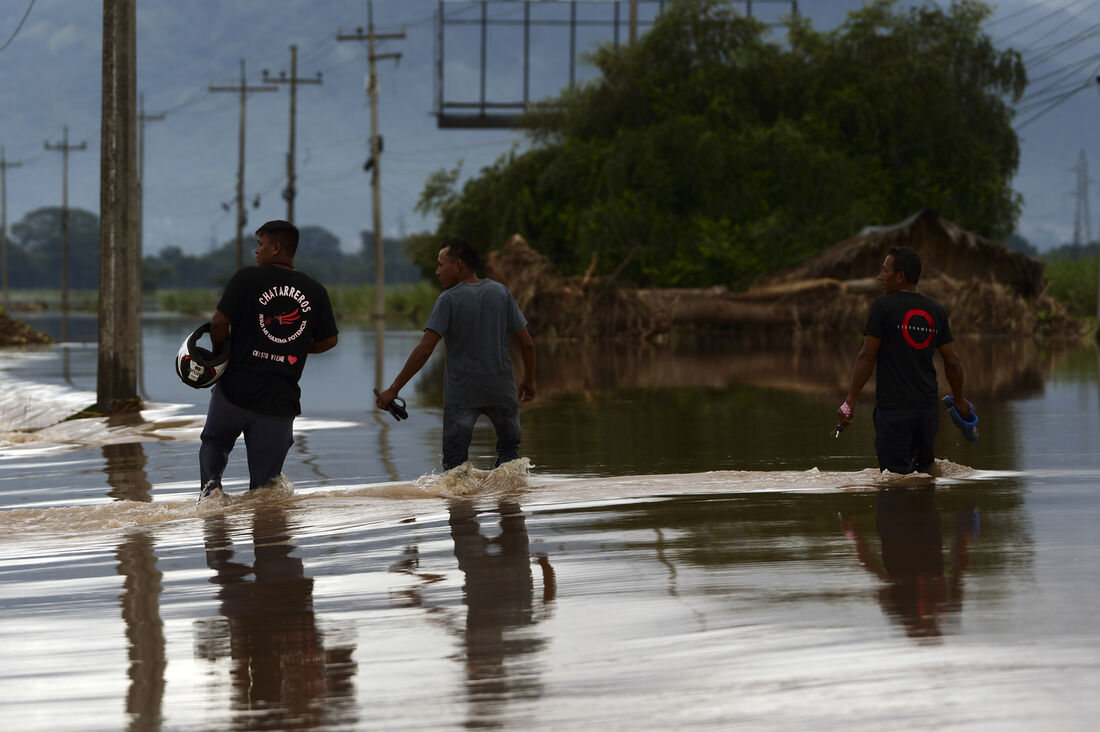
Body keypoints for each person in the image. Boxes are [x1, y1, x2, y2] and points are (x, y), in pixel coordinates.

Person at [199, 220, 339, 500]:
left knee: (214, 442)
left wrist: (221, 354)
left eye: (260, 244)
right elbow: (329, 340)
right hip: (279, 399)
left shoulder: (246, 278)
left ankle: (212, 493)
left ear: (276, 247)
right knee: (266, 491)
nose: (256, 251)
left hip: (235, 391)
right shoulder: (315, 291)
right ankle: (267, 534)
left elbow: (217, 324)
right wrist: (295, 347)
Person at [375, 237, 536, 470]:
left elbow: (424, 350)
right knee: (510, 460)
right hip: (502, 393)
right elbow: (528, 344)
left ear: (458, 265)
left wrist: (393, 390)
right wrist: (529, 381)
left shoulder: (448, 300)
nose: (437, 271)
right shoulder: (501, 293)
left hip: (462, 397)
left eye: (441, 264)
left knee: (455, 469)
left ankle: (462, 506)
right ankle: (508, 503)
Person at [836, 246, 972, 474]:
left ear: (900, 277)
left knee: (894, 482)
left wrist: (850, 401)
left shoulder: (883, 307)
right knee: (926, 471)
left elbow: (867, 355)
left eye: (884, 271)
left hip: (894, 412)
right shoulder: (935, 310)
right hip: (927, 412)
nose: (880, 277)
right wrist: (959, 400)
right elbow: (952, 361)